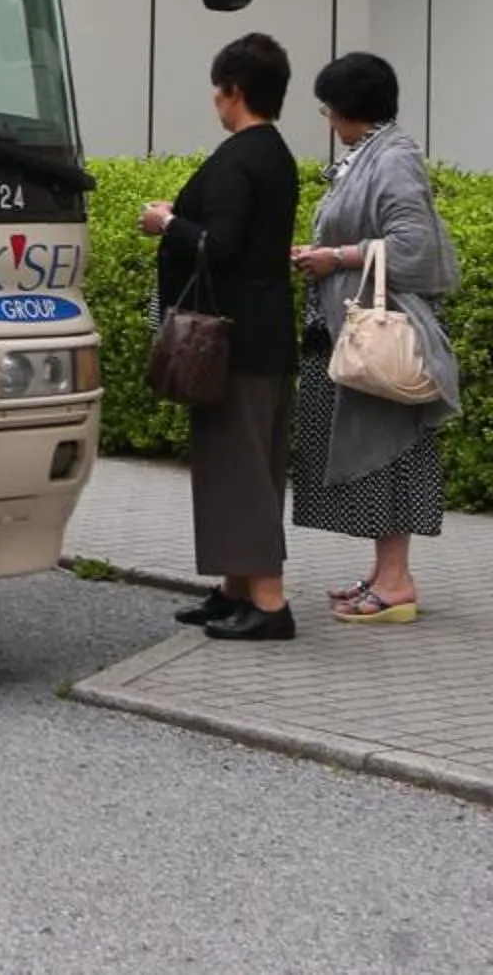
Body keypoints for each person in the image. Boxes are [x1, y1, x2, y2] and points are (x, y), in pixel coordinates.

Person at [137, 32, 303, 642]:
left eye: (218, 89)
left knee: (240, 469)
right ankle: (235, 589)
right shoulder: (276, 154)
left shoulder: (239, 158)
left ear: (234, 91)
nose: (215, 100)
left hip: (229, 340)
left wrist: (168, 223)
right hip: (265, 334)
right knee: (251, 461)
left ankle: (269, 600)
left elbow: (220, 246)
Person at [291, 51, 462, 624]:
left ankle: (395, 582)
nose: (326, 119)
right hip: (350, 329)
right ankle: (383, 571)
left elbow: (415, 248)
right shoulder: (372, 153)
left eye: (327, 107)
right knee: (368, 447)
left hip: (375, 334)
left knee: (387, 450)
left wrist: (333, 257)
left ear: (345, 109)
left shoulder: (393, 159)